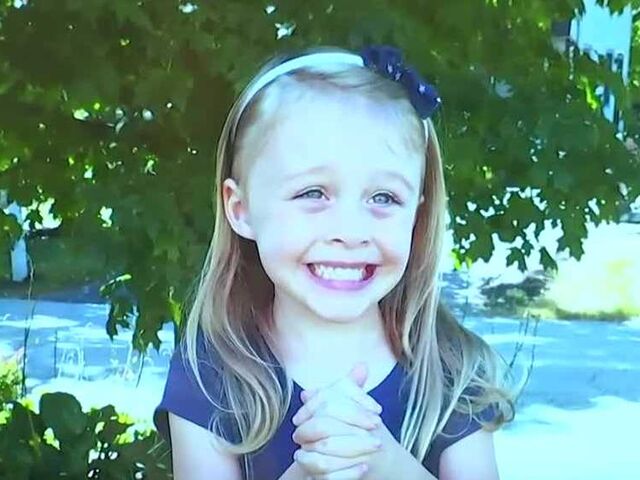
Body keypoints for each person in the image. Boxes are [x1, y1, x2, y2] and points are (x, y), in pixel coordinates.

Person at [153, 44, 516, 480]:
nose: (350, 231)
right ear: (241, 209)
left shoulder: (450, 371)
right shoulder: (212, 374)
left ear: (417, 215)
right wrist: (308, 472)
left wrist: (384, 462)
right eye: (313, 193)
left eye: (384, 198)